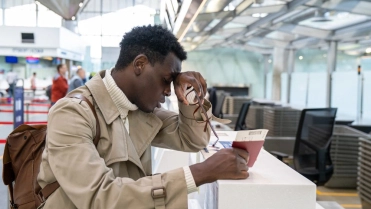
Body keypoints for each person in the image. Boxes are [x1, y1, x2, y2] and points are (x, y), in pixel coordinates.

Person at [38, 25, 249, 209]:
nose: (169, 91)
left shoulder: (138, 109)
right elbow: (100, 197)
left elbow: (192, 139)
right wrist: (200, 173)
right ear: (140, 64)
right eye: (166, 80)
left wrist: (190, 95)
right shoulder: (71, 114)